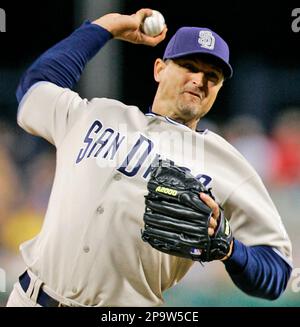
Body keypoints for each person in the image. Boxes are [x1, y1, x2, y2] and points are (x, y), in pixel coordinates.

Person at [7, 8, 292, 307]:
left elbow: (278, 273)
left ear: (218, 89)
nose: (199, 80)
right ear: (159, 69)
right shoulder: (98, 114)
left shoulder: (228, 165)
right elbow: (35, 87)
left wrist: (231, 250)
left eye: (212, 76)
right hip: (32, 297)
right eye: (189, 66)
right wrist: (107, 27)